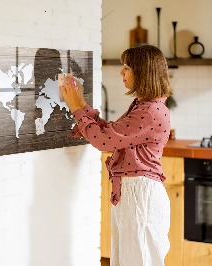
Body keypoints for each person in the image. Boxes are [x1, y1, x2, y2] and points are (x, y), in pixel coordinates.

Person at [60, 44, 172, 266]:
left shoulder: (149, 111)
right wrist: (81, 103)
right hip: (135, 193)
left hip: (140, 195)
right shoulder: (145, 106)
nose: (121, 72)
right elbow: (111, 133)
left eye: (127, 67)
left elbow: (103, 141)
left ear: (143, 72)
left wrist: (75, 108)